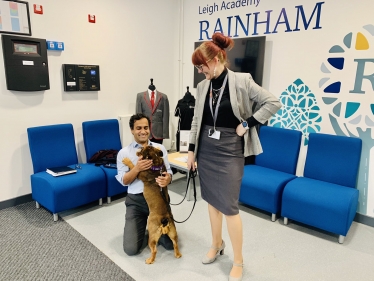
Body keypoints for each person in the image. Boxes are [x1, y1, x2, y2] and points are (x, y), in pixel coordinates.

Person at [187, 32, 281, 281]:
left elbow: (273, 102)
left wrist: (248, 123)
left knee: (229, 207)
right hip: (206, 149)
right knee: (211, 201)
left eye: (201, 66)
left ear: (217, 59)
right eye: (197, 67)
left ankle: (238, 261)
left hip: (230, 150)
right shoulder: (202, 87)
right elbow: (197, 120)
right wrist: (190, 151)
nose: (200, 71)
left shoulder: (241, 80)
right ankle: (217, 244)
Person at [116, 113, 174, 256]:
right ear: (131, 130)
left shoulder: (160, 149)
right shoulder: (124, 153)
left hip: (159, 201)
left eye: (146, 128)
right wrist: (137, 168)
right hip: (137, 202)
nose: (143, 131)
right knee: (131, 249)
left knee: (170, 245)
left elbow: (169, 171)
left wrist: (168, 179)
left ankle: (154, 227)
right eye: (138, 128)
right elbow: (124, 181)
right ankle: (144, 226)